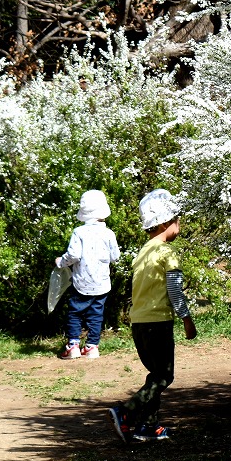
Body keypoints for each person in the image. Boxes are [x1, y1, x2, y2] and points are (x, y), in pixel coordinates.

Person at [107, 189, 197, 443]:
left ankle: (149, 426)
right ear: (166, 223)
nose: (179, 224)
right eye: (177, 220)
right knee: (164, 375)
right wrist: (187, 319)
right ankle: (125, 411)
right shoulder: (167, 253)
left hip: (139, 323)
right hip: (158, 323)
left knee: (155, 375)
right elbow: (174, 290)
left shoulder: (143, 253)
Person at [55, 190, 121, 360]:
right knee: (96, 315)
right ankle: (92, 347)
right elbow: (115, 257)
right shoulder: (109, 233)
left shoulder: (79, 232)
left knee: (75, 313)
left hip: (81, 281)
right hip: (102, 283)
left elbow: (74, 255)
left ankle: (73, 346)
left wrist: (61, 262)